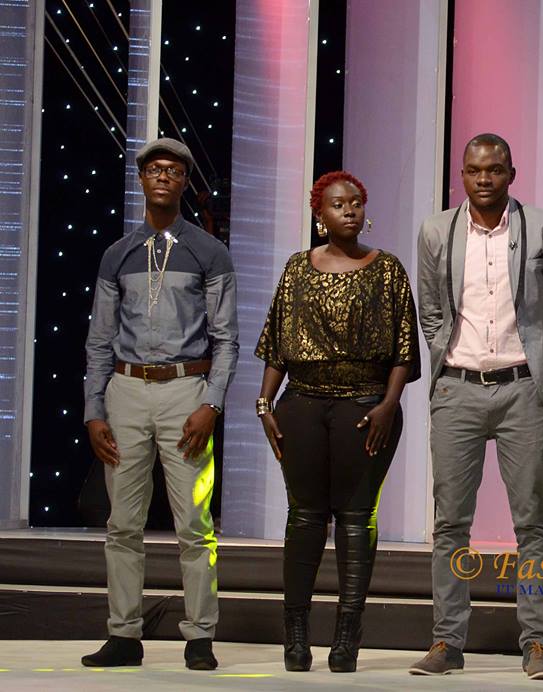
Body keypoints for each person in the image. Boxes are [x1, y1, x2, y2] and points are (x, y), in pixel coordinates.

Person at [409, 133, 543, 680]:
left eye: (495, 169)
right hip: (457, 388)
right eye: (474, 170)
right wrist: (447, 359)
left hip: (522, 388)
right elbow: (431, 308)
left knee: (532, 521)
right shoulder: (436, 229)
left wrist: (536, 360)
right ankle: (447, 641)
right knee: (451, 522)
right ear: (462, 174)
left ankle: (537, 643)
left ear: (511, 173)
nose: (484, 179)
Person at [82, 138, 239, 670]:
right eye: (154, 169)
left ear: (184, 181)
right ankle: (124, 634)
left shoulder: (208, 251)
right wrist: (94, 411)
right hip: (126, 392)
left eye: (173, 170)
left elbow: (227, 338)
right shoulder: (117, 254)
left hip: (185, 391)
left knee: (194, 523)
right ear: (142, 179)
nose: (163, 176)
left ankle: (200, 636)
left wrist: (211, 404)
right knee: (122, 524)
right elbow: (99, 341)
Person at [255, 170, 420, 673]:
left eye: (355, 203)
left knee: (355, 516)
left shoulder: (386, 269)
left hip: (365, 406)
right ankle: (296, 632)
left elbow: (405, 348)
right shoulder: (296, 268)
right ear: (319, 215)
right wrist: (264, 404)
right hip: (302, 403)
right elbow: (277, 344)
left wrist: (388, 405)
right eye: (337, 204)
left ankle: (347, 634)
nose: (348, 210)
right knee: (305, 516)